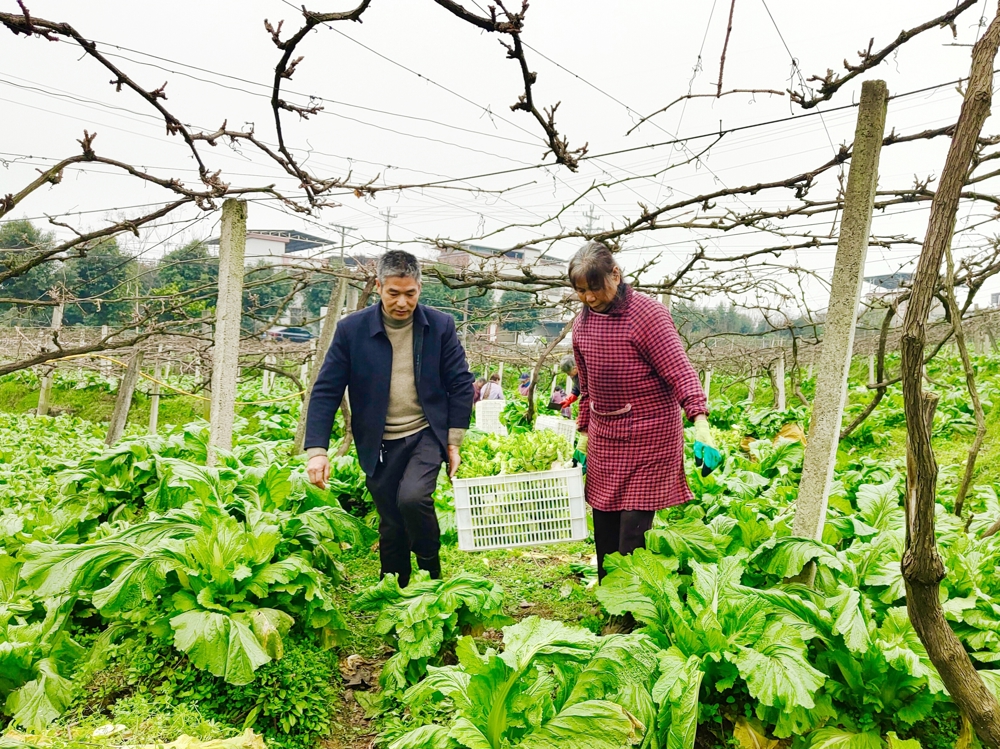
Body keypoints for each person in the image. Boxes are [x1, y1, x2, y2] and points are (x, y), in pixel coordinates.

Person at [304, 250, 474, 587]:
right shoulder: (351, 330)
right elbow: (326, 389)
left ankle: (430, 570)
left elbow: (460, 383)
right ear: (379, 286)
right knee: (391, 521)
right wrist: (317, 451)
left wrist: (453, 442)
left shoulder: (439, 326)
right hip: (377, 442)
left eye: (409, 294)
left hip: (425, 432)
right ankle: (394, 590)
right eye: (393, 293)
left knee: (413, 498)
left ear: (419, 289)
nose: (401, 302)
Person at [569, 240, 713, 582]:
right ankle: (610, 596)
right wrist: (584, 436)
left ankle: (633, 605)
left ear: (615, 275)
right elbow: (587, 389)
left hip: (650, 434)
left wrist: (700, 422)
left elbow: (680, 370)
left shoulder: (648, 316)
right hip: (606, 435)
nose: (589, 298)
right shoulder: (582, 325)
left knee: (632, 530)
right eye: (580, 291)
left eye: (595, 288)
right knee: (603, 521)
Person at [558, 354, 580, 419]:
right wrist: (568, 399)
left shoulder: (585, 374)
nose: (568, 375)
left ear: (575, 368)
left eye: (568, 373)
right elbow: (577, 387)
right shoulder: (575, 375)